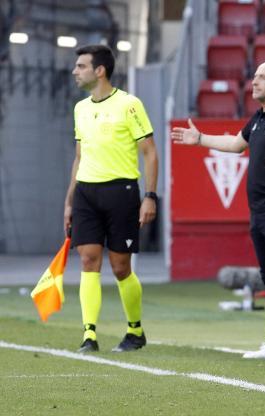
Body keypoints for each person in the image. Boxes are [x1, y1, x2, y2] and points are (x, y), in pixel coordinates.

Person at [171, 62, 265, 364]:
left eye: (263, 77)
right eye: (255, 75)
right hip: (258, 209)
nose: (254, 81)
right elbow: (235, 143)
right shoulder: (259, 117)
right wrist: (201, 140)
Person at [64, 44, 159, 353]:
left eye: (81, 66)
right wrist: (69, 200)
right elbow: (79, 158)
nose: (75, 71)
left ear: (99, 70)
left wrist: (150, 196)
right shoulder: (80, 108)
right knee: (89, 261)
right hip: (86, 195)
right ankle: (89, 335)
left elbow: (150, 153)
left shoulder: (129, 104)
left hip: (122, 192)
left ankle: (135, 331)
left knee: (120, 267)